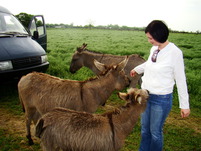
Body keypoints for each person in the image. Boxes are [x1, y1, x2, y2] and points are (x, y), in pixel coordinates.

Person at [130, 20, 190, 151]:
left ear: (159, 35)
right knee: (145, 130)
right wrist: (137, 69)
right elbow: (150, 64)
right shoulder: (154, 49)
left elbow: (180, 79)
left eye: (150, 38)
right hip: (145, 96)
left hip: (161, 100)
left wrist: (185, 105)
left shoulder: (175, 53)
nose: (149, 41)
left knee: (155, 133)